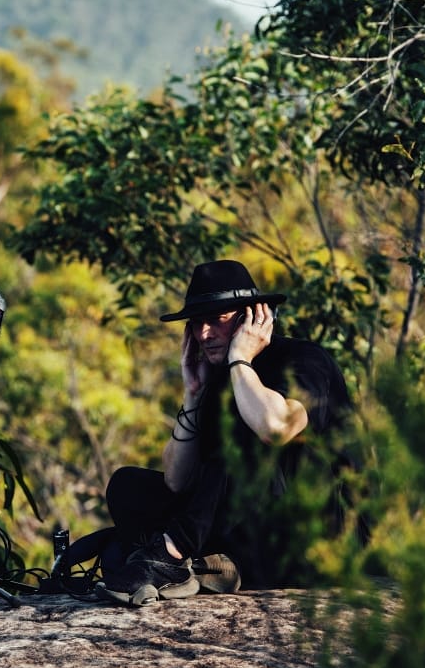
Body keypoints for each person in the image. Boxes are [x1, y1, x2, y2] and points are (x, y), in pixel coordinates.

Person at [92, 259, 359, 606]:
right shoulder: (216, 379)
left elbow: (275, 428)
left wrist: (240, 361)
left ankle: (171, 557)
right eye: (197, 323)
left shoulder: (305, 360)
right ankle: (210, 567)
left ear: (254, 317)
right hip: (252, 535)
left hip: (316, 538)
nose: (204, 334)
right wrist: (193, 392)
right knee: (128, 486)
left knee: (242, 441)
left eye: (216, 320)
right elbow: (177, 481)